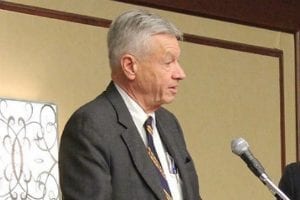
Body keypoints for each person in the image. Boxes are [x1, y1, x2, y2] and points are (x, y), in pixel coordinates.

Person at [59, 9, 201, 200]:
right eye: (168, 62)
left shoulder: (169, 123)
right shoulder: (90, 126)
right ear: (130, 66)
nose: (180, 73)